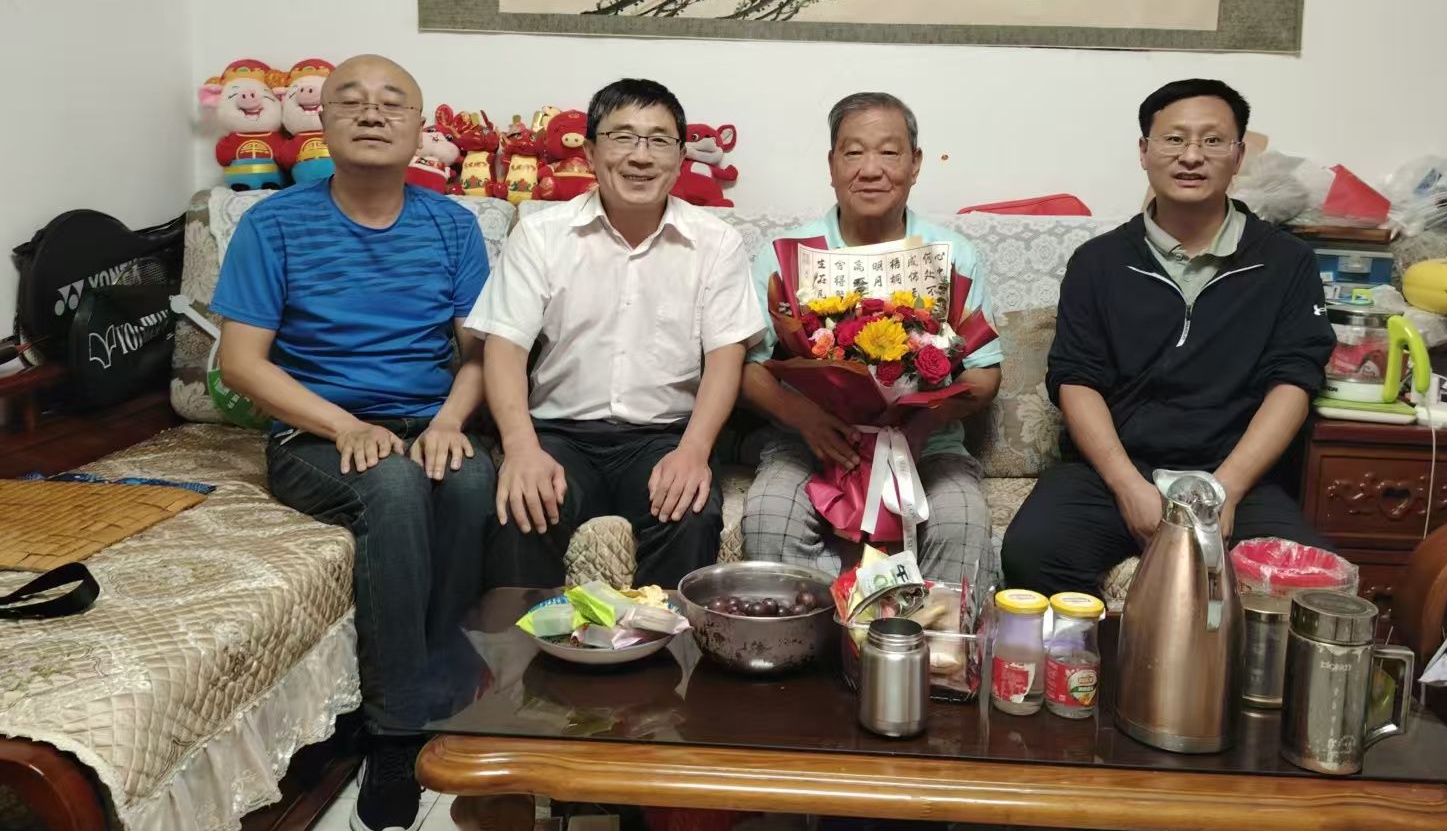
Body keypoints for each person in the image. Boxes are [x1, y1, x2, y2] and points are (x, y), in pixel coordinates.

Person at [213, 54, 494, 831]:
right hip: (314, 433)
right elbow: (241, 363)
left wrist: (450, 421)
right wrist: (343, 425)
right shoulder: (272, 224)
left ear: (419, 127)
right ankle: (394, 735)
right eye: (352, 100)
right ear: (322, 122)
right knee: (396, 486)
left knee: (473, 482)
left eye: (392, 102)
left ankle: (453, 698)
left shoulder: (453, 225)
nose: (372, 113)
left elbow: (482, 352)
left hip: (427, 419)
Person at [1001, 79, 1335, 596]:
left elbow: (1294, 380)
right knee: (1034, 552)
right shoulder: (1099, 262)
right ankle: (1101, 651)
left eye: (1213, 141)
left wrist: (1226, 489)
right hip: (1117, 471)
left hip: (1236, 474)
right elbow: (1076, 378)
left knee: (1305, 584)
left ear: (1238, 156)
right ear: (1144, 151)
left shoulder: (1286, 262)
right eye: (1174, 139)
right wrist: (1126, 486)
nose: (1192, 156)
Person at [469, 79, 763, 588]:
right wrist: (520, 447)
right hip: (560, 433)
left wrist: (694, 451)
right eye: (622, 137)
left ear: (680, 157)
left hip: (664, 436)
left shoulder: (716, 242)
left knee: (691, 515)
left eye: (659, 140)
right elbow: (505, 346)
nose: (640, 156)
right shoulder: (541, 234)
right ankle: (524, 643)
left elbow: (725, 356)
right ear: (589, 151)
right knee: (521, 510)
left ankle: (665, 642)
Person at [739, 92, 1002, 595]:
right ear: (832, 164)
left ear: (915, 163)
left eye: (889, 152)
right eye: (854, 152)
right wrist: (805, 419)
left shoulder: (952, 254)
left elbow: (985, 373)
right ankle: (808, 638)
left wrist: (924, 424)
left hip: (926, 446)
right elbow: (748, 367)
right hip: (810, 443)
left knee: (962, 521)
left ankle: (932, 644)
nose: (871, 169)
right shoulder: (785, 254)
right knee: (771, 515)